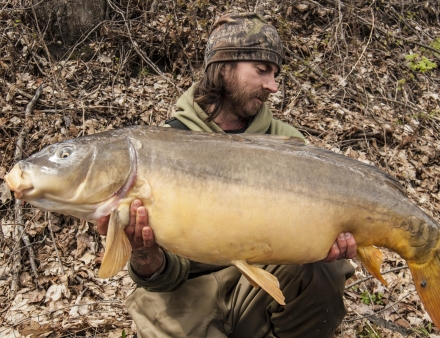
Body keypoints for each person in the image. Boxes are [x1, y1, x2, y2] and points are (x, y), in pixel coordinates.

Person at [97, 12, 357, 338]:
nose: (273, 86)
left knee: (324, 270)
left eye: (275, 74)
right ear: (222, 67)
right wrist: (146, 255)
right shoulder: (163, 146)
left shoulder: (287, 143)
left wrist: (328, 242)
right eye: (261, 70)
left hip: (261, 282)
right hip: (189, 293)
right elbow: (164, 277)